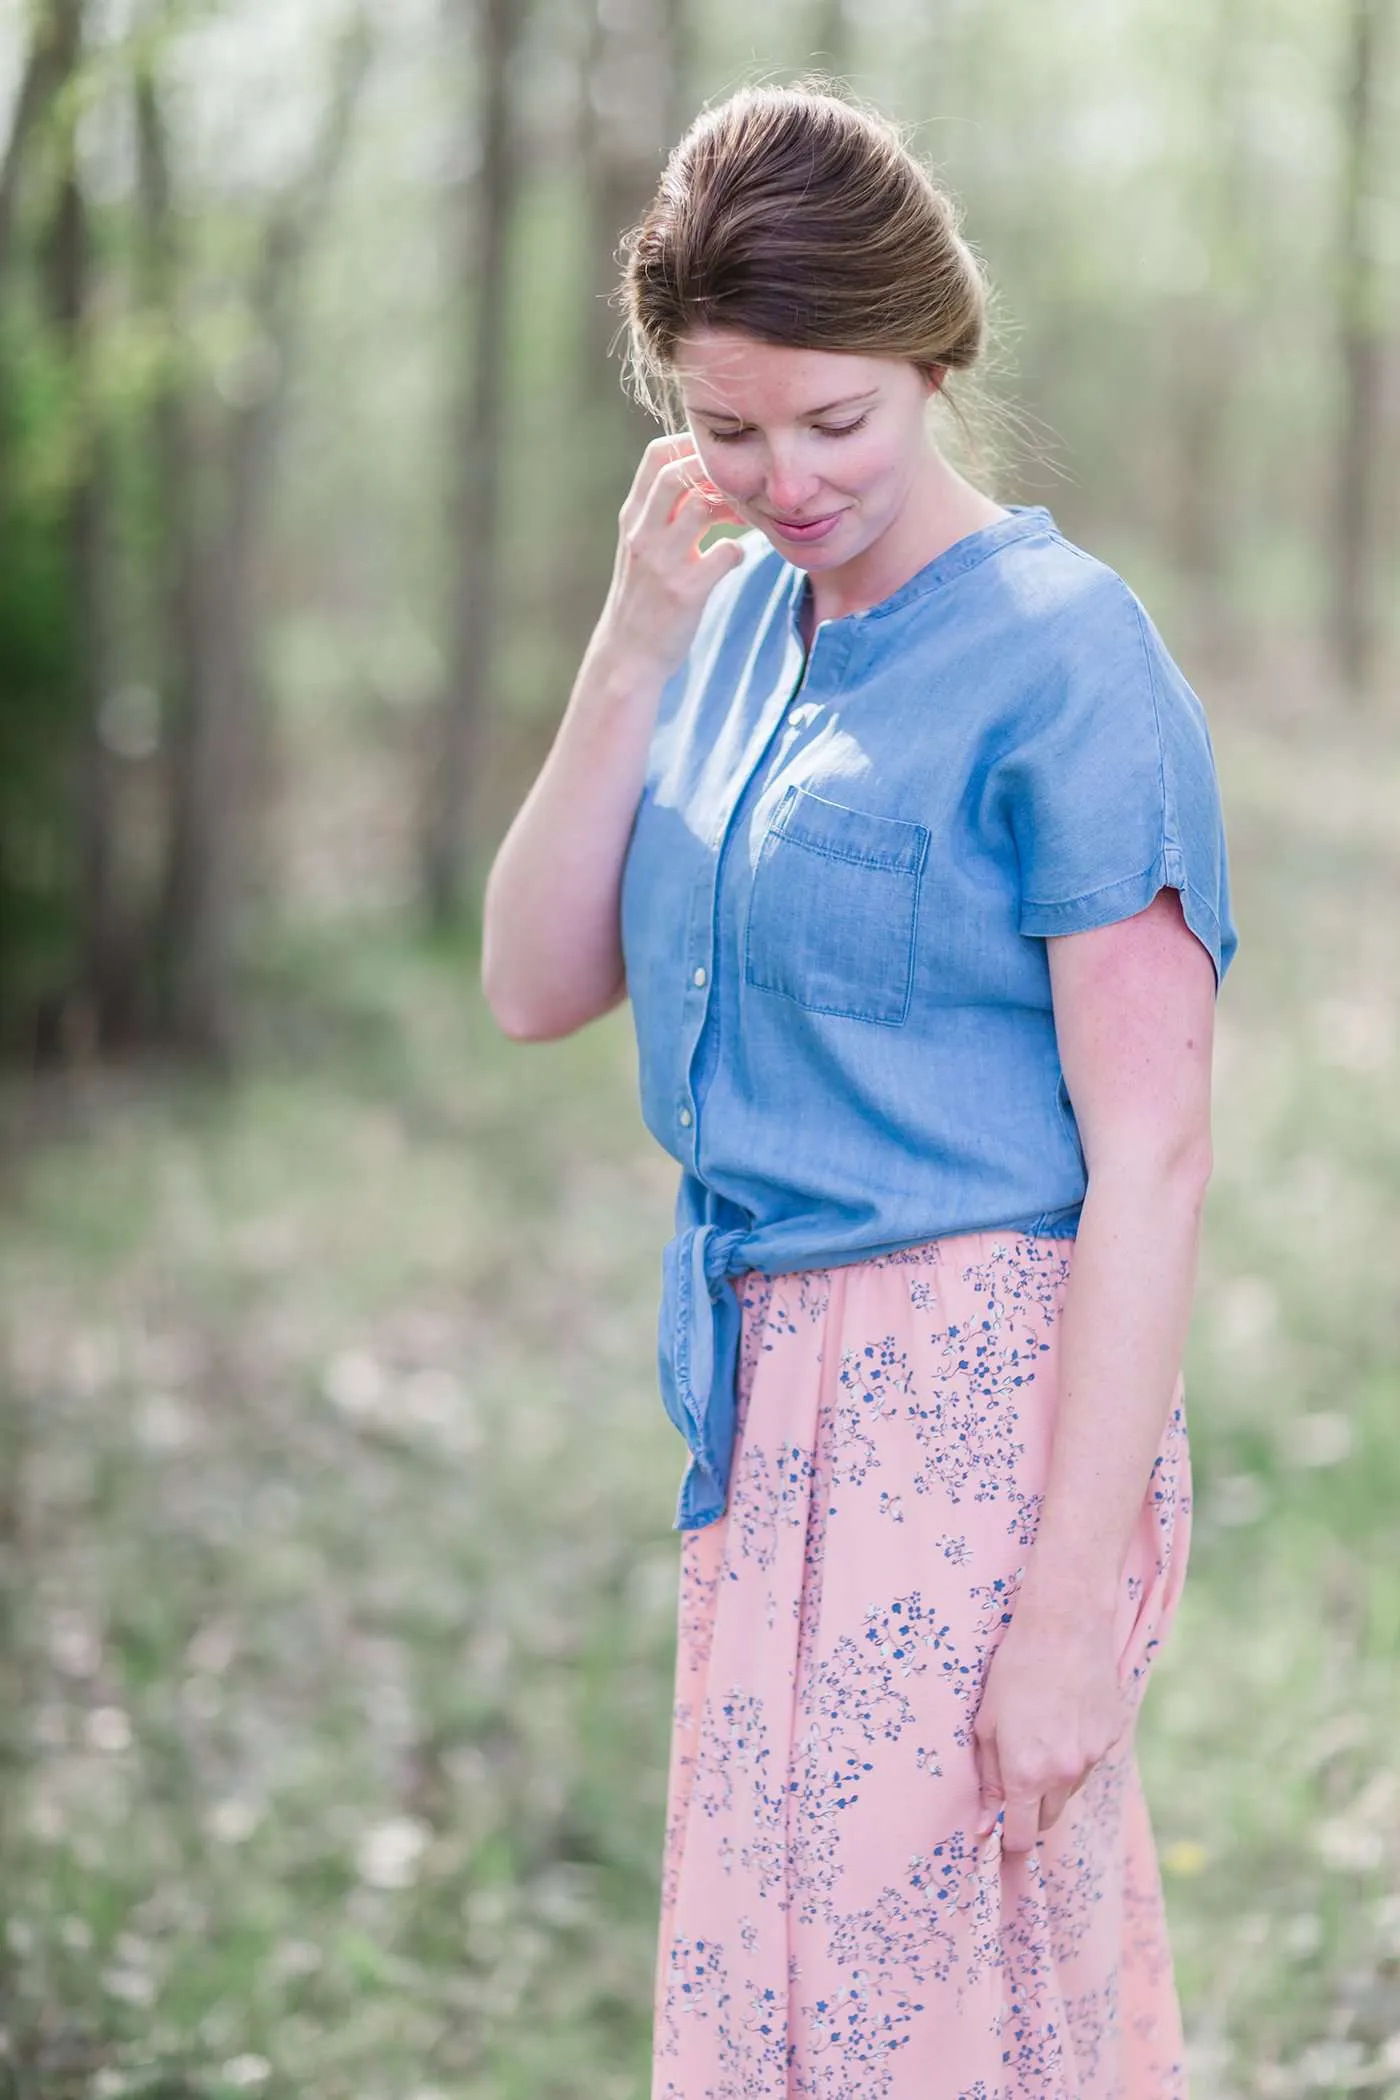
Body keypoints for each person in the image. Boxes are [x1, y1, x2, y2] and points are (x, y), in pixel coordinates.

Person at [481, 78, 1237, 2100]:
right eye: (730, 428)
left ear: (933, 357)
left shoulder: (1070, 657)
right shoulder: (727, 632)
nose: (789, 477)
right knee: (788, 2005)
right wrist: (635, 639)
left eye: (839, 420)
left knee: (936, 2020)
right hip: (767, 1418)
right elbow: (531, 976)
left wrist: (1070, 1603)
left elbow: (1152, 1149)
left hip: (980, 1422)